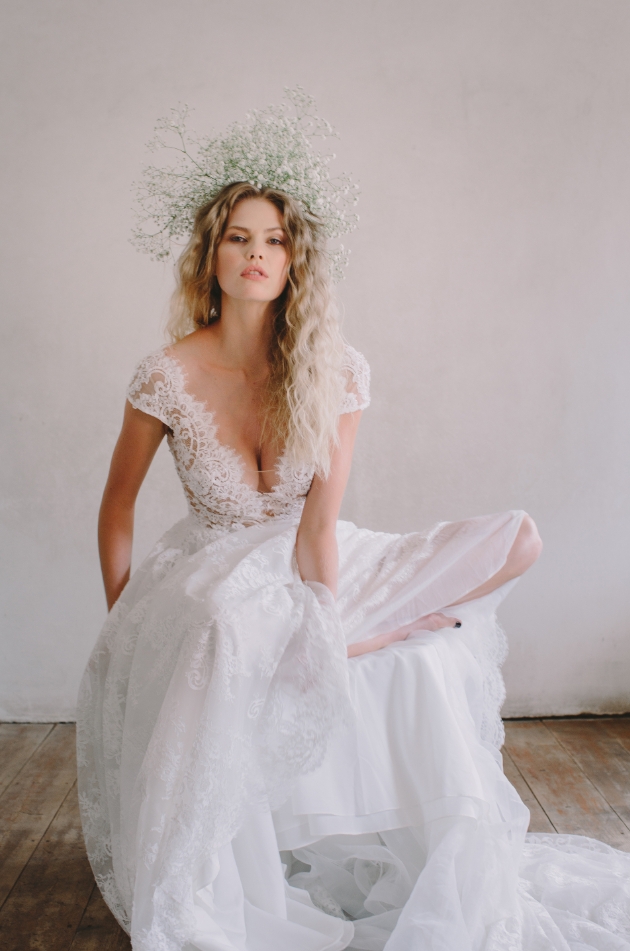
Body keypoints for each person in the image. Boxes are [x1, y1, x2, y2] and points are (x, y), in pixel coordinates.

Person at [77, 99, 630, 951]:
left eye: (273, 240)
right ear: (210, 253)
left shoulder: (335, 369)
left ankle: (372, 627)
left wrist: (323, 621)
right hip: (215, 568)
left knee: (518, 536)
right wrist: (127, 623)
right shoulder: (167, 372)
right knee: (230, 623)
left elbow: (321, 525)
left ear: (295, 258)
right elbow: (117, 505)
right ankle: (367, 631)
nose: (256, 255)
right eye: (238, 238)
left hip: (314, 554)